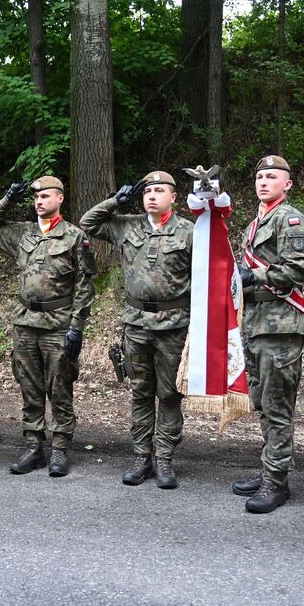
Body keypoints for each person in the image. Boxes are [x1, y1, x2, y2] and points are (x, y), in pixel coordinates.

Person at [80, 172, 192, 489]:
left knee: (169, 394)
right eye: (147, 191)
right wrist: (116, 201)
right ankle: (142, 456)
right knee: (140, 393)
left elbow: (204, 278)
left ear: (174, 197)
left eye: (159, 190)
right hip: (136, 325)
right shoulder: (127, 226)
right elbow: (88, 223)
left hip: (173, 326)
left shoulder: (189, 231)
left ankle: (165, 458)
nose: (152, 195)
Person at [0, 176, 95, 477]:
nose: (39, 201)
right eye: (36, 197)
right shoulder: (24, 233)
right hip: (26, 322)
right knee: (29, 386)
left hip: (58, 324)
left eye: (45, 196)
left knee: (60, 386)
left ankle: (60, 448)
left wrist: (77, 325)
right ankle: (34, 446)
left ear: (60, 199)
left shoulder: (74, 237)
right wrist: (8, 198)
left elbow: (84, 285)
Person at [232, 156, 304, 513]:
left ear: (287, 184)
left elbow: (298, 270)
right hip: (255, 321)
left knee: (277, 405)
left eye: (272, 176)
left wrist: (255, 276)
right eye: (260, 177)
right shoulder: (255, 224)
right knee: (263, 402)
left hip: (280, 325)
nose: (263, 182)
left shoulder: (290, 219)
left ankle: (276, 484)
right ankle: (270, 470)